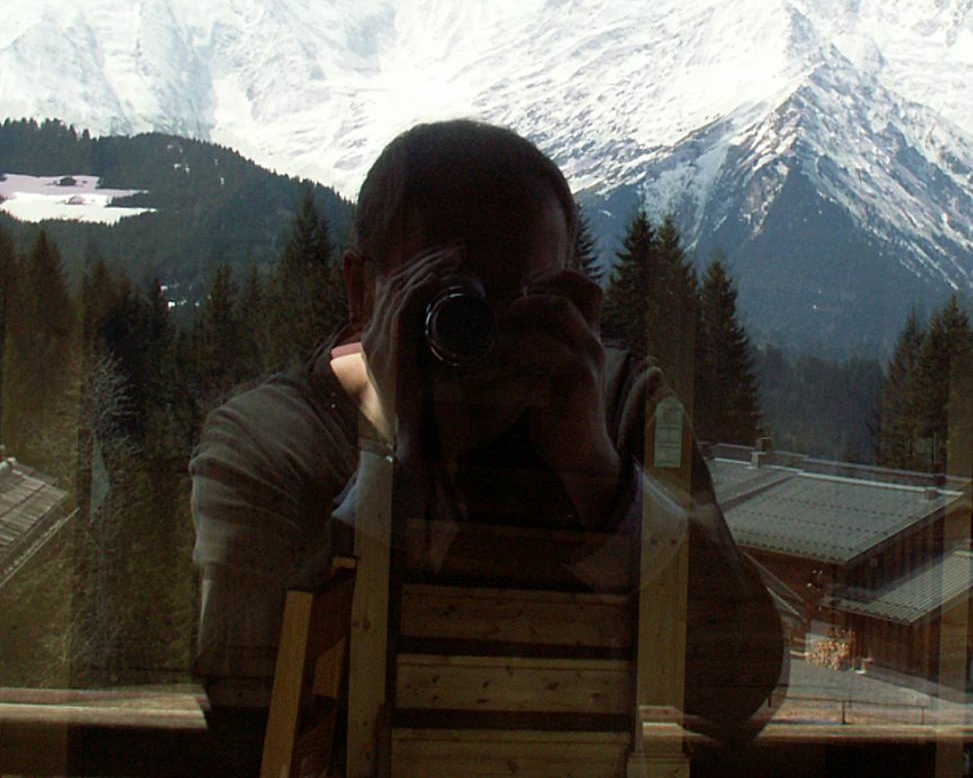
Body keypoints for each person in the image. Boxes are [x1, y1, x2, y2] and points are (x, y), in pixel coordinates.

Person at [190, 119, 783, 770]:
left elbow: (742, 686)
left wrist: (597, 473)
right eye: (445, 299)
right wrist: (396, 461)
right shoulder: (275, 442)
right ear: (362, 291)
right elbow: (251, 719)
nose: (485, 334)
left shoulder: (617, 412)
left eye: (523, 299)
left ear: (574, 299)